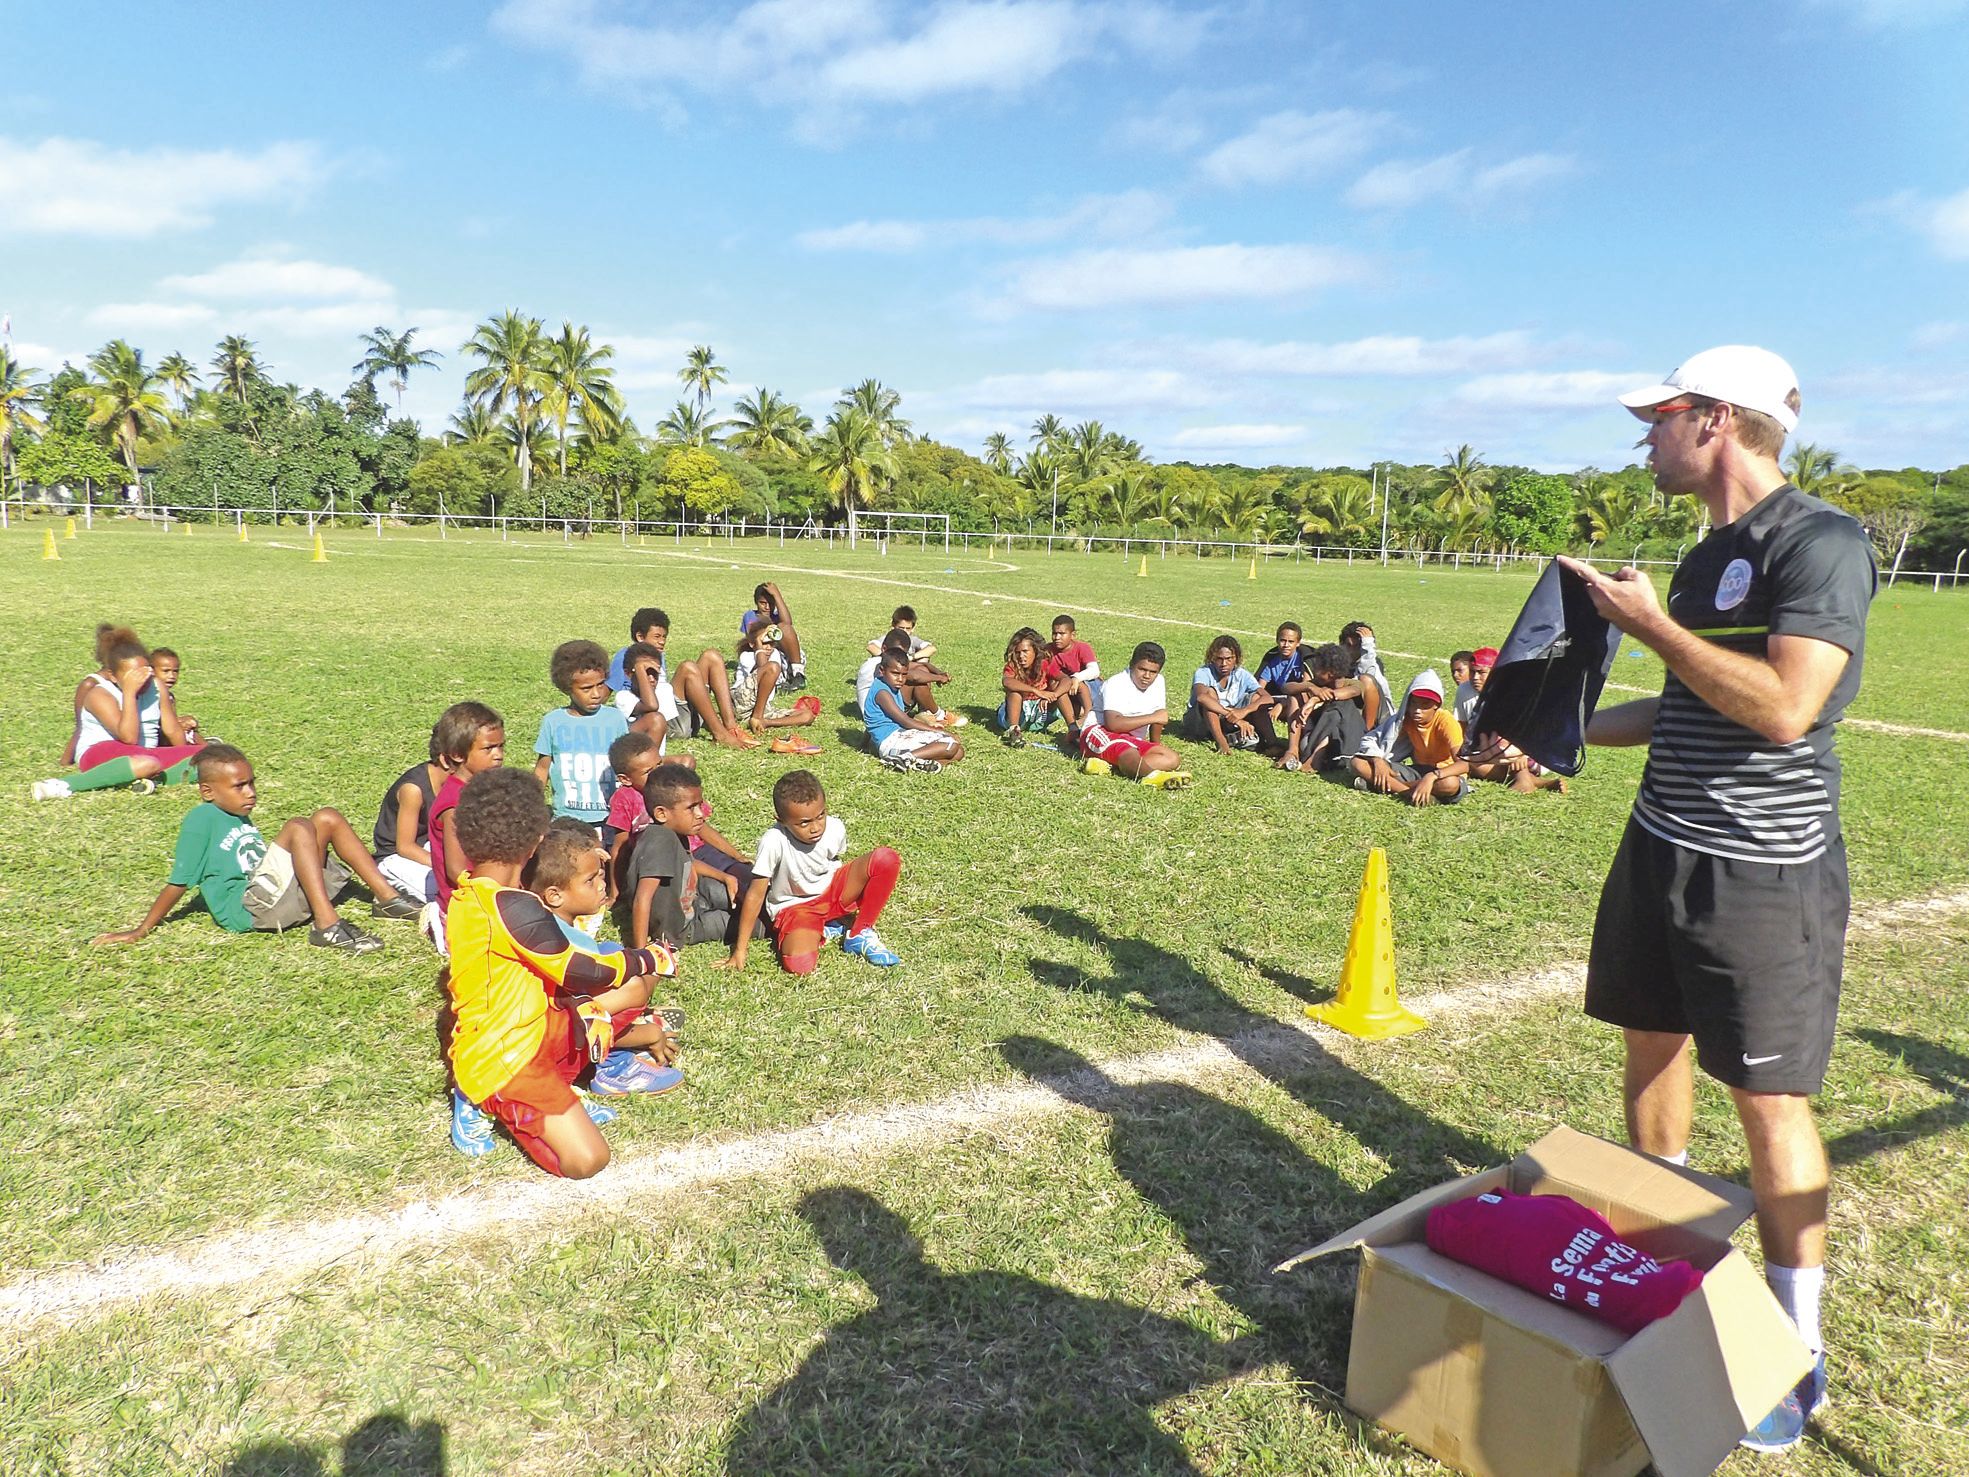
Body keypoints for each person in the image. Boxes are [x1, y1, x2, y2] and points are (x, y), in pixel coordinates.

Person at [1542, 346, 1873, 1451]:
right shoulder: (1700, 560)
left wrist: (1651, 629)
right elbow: (1687, 701)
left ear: (1717, 420)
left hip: (1760, 877)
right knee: (1650, 1053)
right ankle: (1667, 1265)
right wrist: (1556, 731)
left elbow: (1784, 708)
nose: (1646, 438)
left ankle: (1793, 1339)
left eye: (1660, 417)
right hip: (1657, 849)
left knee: (1769, 1106)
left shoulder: (1818, 542)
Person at [444, 768, 681, 1177]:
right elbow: (582, 972)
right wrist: (649, 958)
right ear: (535, 839)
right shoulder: (511, 907)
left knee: (634, 989)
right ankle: (487, 1099)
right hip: (505, 1058)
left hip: (538, 1024)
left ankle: (581, 1069)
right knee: (587, 1160)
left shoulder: (472, 891)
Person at [93, 743, 422, 955]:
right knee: (297, 825)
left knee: (327, 818)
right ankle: (326, 925)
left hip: (274, 896)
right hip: (250, 910)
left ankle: (387, 900)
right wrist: (141, 929)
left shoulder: (238, 815)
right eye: (239, 786)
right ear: (207, 791)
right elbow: (179, 882)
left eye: (251, 783)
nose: (250, 793)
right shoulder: (201, 819)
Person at [524, 821, 683, 1097]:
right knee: (633, 987)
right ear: (555, 895)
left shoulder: (541, 923)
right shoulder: (569, 945)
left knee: (613, 951)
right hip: (553, 1051)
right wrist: (650, 1036)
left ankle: (633, 1029)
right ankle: (614, 1067)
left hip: (555, 1027)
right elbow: (582, 1019)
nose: (601, 886)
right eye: (590, 880)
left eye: (600, 875)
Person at [720, 769, 903, 975]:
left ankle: (859, 932)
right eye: (804, 823)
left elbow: (834, 862)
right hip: (797, 908)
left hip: (833, 892)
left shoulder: (835, 827)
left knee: (886, 859)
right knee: (799, 966)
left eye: (820, 815)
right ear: (781, 820)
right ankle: (822, 928)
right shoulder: (773, 841)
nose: (816, 827)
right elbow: (756, 894)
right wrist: (740, 950)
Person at [33, 626, 204, 799]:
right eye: (133, 674)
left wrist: (185, 753)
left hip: (147, 755)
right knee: (147, 763)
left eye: (146, 671)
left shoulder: (156, 687)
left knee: (212, 759)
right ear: (113, 676)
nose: (142, 679)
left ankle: (150, 780)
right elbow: (128, 738)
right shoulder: (99, 694)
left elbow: (173, 730)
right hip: (100, 751)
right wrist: (129, 693)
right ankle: (62, 786)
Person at [616, 763, 749, 952]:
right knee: (756, 924)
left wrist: (724, 877)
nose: (700, 814)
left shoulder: (672, 831)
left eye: (699, 806)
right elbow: (642, 899)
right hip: (685, 926)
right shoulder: (659, 841)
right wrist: (642, 955)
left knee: (749, 896)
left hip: (697, 895)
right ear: (661, 813)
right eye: (691, 808)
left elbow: (688, 862)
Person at [372, 705, 493, 904]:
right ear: (451, 757)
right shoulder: (414, 790)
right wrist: (441, 864)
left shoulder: (460, 784)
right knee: (449, 891)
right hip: (398, 857)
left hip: (433, 845)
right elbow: (404, 846)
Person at [608, 606, 758, 751]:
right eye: (657, 637)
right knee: (687, 668)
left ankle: (731, 727)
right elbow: (607, 689)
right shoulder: (627, 656)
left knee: (712, 656)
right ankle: (720, 734)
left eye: (664, 637)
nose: (662, 641)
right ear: (640, 637)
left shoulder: (658, 654)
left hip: (678, 713)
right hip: (667, 723)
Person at [533, 640, 629, 829]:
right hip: (566, 820)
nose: (596, 694)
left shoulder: (615, 719)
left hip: (609, 819)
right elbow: (542, 769)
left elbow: (626, 765)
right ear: (567, 687)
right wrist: (533, 807)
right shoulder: (553, 721)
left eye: (600, 685)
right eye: (586, 688)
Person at [426, 703, 506, 926]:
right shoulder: (454, 804)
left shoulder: (486, 789)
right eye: (488, 749)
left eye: (501, 747)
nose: (498, 755)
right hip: (467, 908)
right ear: (457, 754)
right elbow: (457, 870)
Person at [1078, 641, 1192, 789]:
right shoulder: (1116, 683)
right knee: (1127, 751)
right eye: (1142, 669)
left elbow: (1159, 717)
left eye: (1153, 672)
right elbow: (1113, 724)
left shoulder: (1158, 682)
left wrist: (1154, 745)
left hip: (1131, 739)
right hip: (1100, 731)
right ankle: (1153, 778)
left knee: (1171, 758)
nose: (1147, 676)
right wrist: (1153, 717)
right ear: (1132, 665)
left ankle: (1108, 766)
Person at [1350, 670, 1468, 807]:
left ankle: (1388, 787)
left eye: (1425, 705)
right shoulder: (1404, 719)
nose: (1417, 710)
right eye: (1414, 704)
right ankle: (1409, 793)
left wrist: (1432, 776)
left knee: (1450, 784)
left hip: (1443, 774)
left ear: (1436, 705)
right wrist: (1377, 760)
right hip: (1416, 771)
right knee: (1357, 763)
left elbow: (1464, 764)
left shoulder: (1446, 721)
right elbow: (1370, 739)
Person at [863, 648, 965, 772]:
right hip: (891, 742)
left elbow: (872, 721)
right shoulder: (882, 693)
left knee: (959, 752)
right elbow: (906, 721)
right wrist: (944, 733)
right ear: (882, 671)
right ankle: (903, 758)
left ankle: (916, 764)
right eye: (895, 673)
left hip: (899, 736)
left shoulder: (888, 686)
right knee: (951, 744)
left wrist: (863, 744)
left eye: (904, 674)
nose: (900, 679)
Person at [865, 605, 962, 727]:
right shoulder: (886, 651)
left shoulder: (905, 641)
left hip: (884, 701)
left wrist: (936, 671)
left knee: (921, 668)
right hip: (881, 707)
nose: (904, 631)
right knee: (918, 679)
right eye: (901, 627)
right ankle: (938, 714)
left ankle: (927, 712)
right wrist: (938, 677)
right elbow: (914, 677)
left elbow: (927, 655)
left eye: (908, 628)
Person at [1280, 642, 1367, 775]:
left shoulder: (1354, 684)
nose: (1314, 669)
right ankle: (1292, 751)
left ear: (1331, 672)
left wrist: (1315, 699)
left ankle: (1316, 759)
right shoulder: (1317, 684)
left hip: (1342, 745)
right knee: (1294, 697)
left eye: (1319, 667)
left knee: (1343, 703)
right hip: (1312, 742)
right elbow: (1286, 688)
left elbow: (1344, 693)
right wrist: (1309, 687)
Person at [1183, 635, 1275, 755]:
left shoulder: (1242, 675)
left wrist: (1244, 711)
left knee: (1257, 698)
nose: (1223, 664)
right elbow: (1201, 697)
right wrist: (1233, 717)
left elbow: (1268, 698)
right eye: (1219, 659)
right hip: (1200, 723)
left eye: (1228, 659)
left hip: (1226, 721)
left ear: (1236, 658)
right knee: (1209, 695)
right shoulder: (1204, 672)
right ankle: (1221, 741)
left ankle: (1273, 743)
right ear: (1212, 658)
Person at [997, 627, 1063, 748]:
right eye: (1018, 652)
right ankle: (1014, 732)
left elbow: (1066, 680)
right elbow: (1006, 681)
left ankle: (1074, 730)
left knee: (1057, 685)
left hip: (1039, 715)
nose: (1021, 656)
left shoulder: (1045, 664)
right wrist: (1036, 691)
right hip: (1016, 715)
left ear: (1036, 651)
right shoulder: (1014, 665)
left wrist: (1054, 695)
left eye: (1025, 651)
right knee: (1015, 691)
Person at [1041, 616, 1102, 732]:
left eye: (1062, 633)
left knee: (1079, 684)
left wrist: (1076, 678)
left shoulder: (1082, 648)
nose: (1057, 637)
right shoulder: (1048, 650)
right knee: (1055, 683)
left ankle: (1089, 713)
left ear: (1072, 635)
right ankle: (1074, 723)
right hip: (1067, 691)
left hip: (1090, 689)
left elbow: (1094, 670)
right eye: (1054, 633)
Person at [1255, 622, 1315, 739]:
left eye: (1291, 642)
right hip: (1277, 697)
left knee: (1299, 698)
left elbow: (1306, 690)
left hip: (1299, 700)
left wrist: (1282, 705)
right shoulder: (1272, 659)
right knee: (1255, 700)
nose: (1286, 645)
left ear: (1298, 643)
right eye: (1283, 640)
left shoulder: (1305, 659)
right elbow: (1259, 688)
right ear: (1277, 640)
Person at [146, 647, 202, 744]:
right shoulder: (152, 696)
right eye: (166, 671)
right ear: (152, 671)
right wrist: (180, 724)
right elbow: (164, 728)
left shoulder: (170, 696)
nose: (171, 676)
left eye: (175, 671)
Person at [1450, 650, 1478, 728]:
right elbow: (1461, 724)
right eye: (1453, 671)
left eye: (1460, 670)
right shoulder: (1462, 691)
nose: (1455, 675)